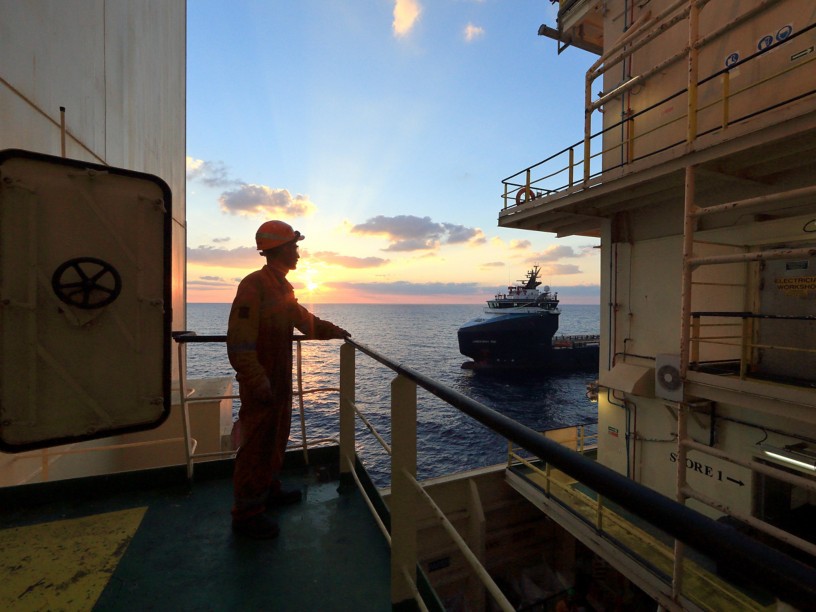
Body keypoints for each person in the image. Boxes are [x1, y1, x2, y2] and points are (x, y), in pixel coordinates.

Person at [227, 220, 350, 539]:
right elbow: (239, 342)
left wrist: (330, 331)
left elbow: (301, 319)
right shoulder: (253, 286)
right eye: (293, 247)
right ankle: (246, 515)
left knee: (276, 438)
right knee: (255, 445)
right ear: (279, 249)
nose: (298, 253)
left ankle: (268, 490)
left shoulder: (280, 287)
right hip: (262, 382)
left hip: (276, 380)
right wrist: (257, 380)